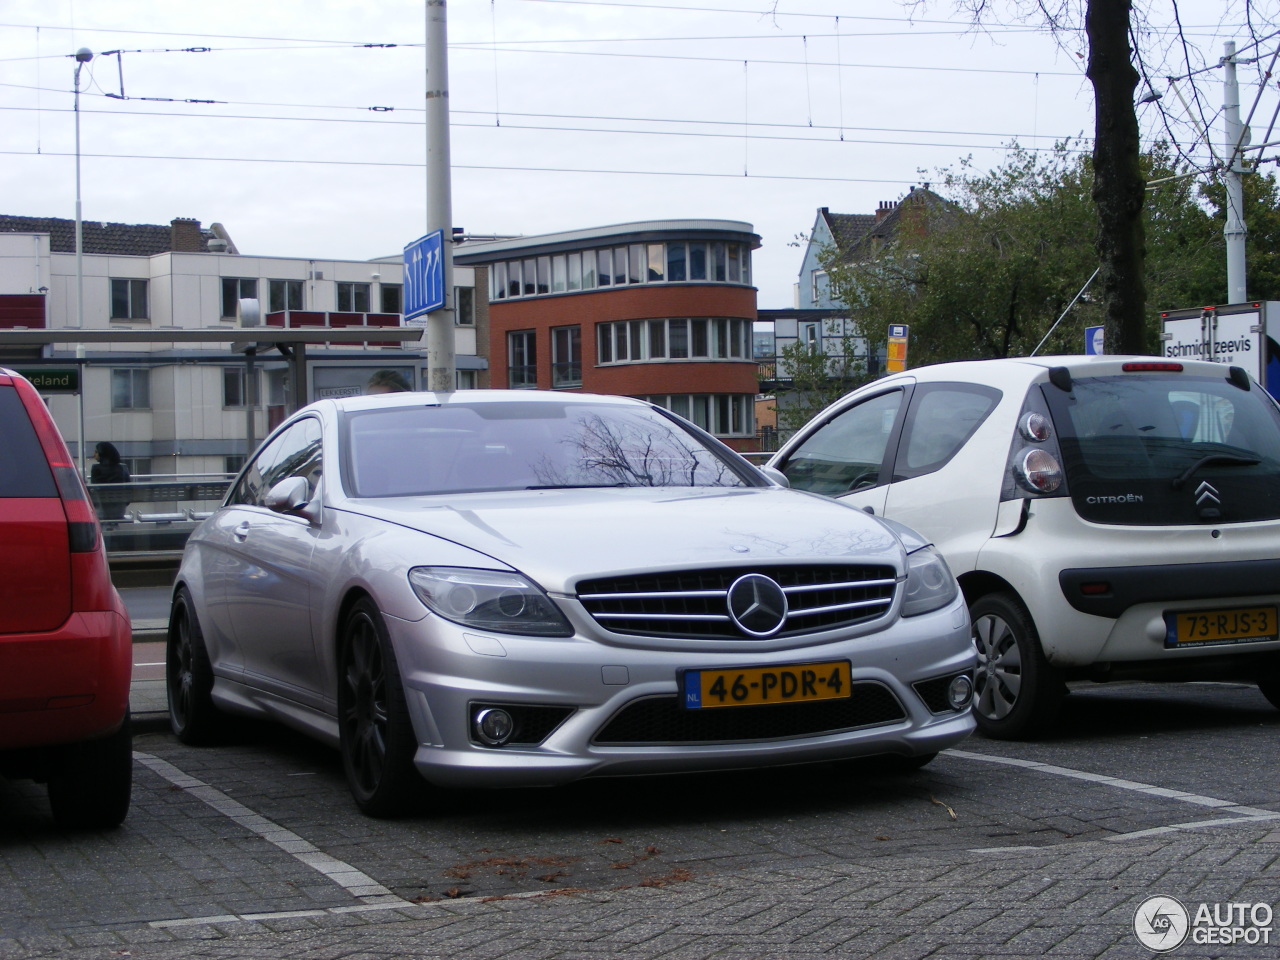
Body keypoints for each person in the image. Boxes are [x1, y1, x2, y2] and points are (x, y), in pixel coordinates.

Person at [89, 441, 131, 521]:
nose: (94, 455)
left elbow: (94, 490)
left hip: (101, 511)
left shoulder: (96, 469)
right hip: (119, 511)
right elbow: (128, 494)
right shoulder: (123, 468)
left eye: (96, 452)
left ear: (102, 453)